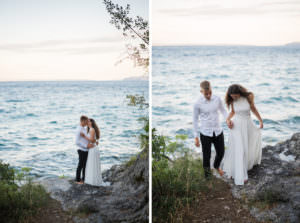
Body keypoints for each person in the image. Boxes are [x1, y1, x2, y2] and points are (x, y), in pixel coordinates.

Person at [222, 84, 263, 185]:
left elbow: (253, 108)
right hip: (236, 126)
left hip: (247, 124)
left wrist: (260, 120)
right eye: (232, 96)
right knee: (239, 148)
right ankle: (238, 173)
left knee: (246, 147)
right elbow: (232, 112)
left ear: (240, 93)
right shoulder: (232, 100)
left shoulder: (248, 97)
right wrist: (227, 120)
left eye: (236, 96)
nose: (234, 98)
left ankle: (242, 168)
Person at [193, 80, 230, 179]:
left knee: (221, 152)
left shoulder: (217, 99)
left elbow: (223, 111)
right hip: (205, 133)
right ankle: (208, 178)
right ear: (201, 92)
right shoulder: (197, 103)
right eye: (206, 94)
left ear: (211, 89)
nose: (208, 95)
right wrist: (196, 137)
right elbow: (195, 120)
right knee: (206, 156)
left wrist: (228, 120)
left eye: (210, 92)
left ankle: (216, 166)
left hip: (218, 131)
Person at [81, 118, 103, 186]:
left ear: (91, 123)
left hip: (93, 148)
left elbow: (92, 140)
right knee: (91, 164)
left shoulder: (92, 129)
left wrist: (84, 136)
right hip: (92, 148)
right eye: (87, 121)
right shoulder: (90, 129)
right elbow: (94, 140)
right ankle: (92, 180)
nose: (87, 122)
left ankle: (93, 181)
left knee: (92, 164)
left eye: (88, 121)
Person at [75, 115, 94, 184]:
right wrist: (86, 145)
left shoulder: (84, 128)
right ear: (82, 121)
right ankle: (77, 180)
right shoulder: (78, 130)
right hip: (82, 150)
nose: (87, 123)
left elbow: (86, 137)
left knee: (85, 165)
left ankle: (84, 179)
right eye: (86, 121)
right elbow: (76, 142)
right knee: (80, 165)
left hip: (86, 150)